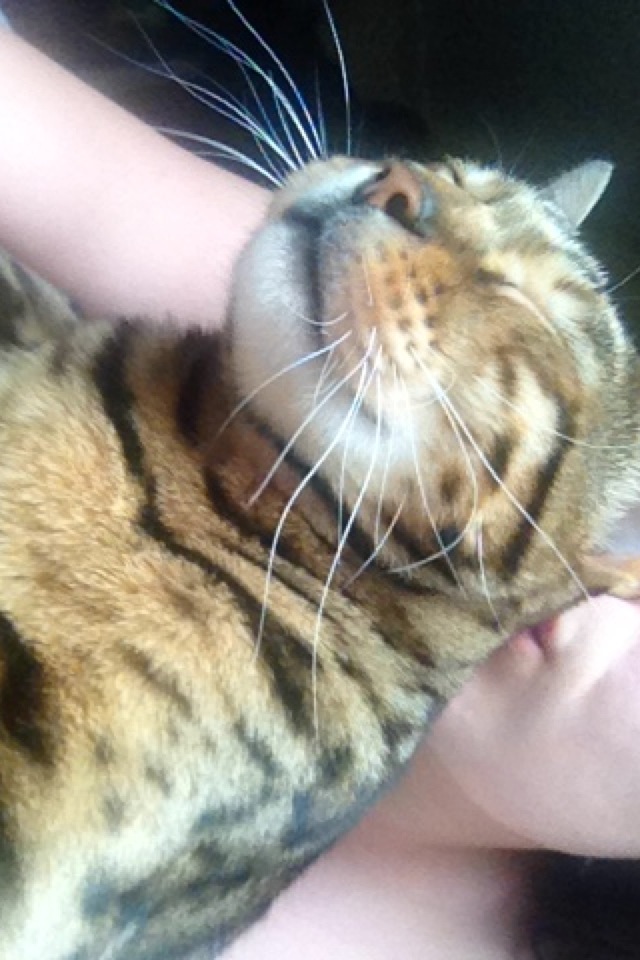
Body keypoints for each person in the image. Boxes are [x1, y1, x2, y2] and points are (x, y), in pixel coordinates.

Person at [0, 27, 639, 960]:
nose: (401, 196)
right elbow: (80, 175)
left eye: (525, 317)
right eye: (435, 185)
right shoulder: (281, 392)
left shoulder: (187, 729)